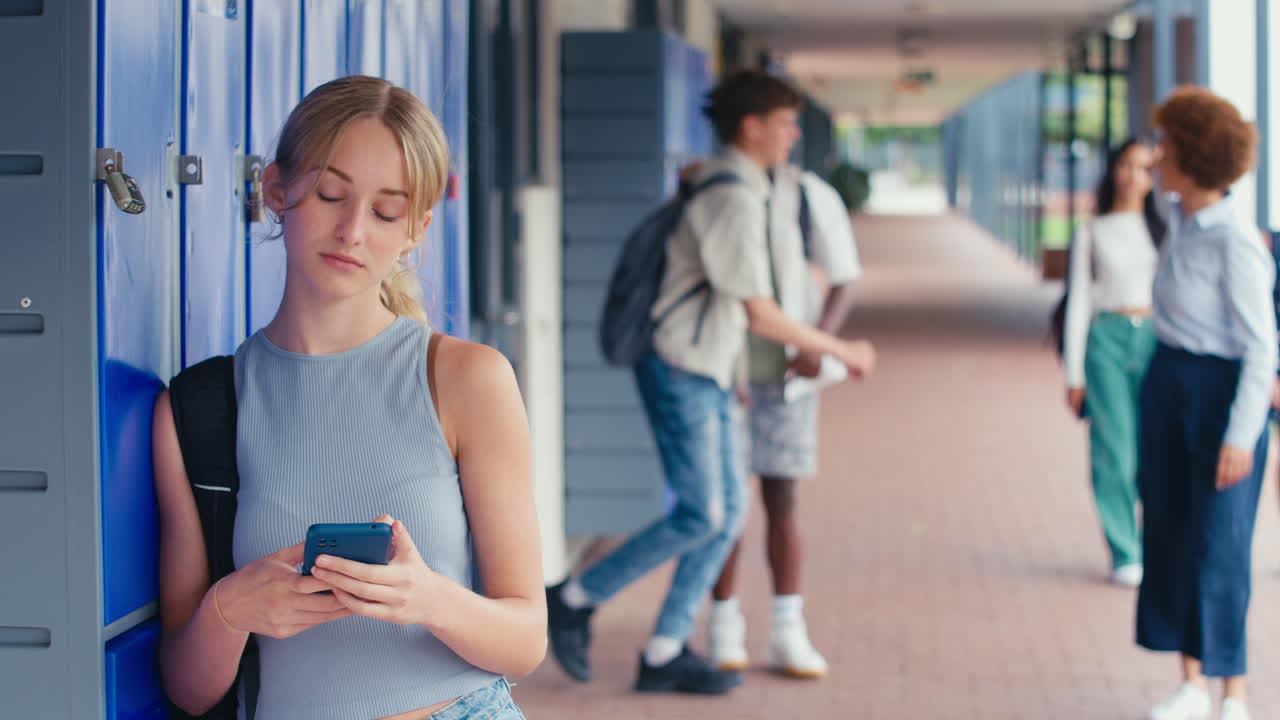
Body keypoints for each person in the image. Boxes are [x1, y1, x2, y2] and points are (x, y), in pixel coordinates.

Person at [153, 75, 545, 720]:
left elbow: (525, 641)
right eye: (331, 194)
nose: (354, 231)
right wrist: (231, 610)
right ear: (276, 189)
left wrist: (426, 598)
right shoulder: (199, 407)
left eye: (387, 211)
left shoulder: (467, 379)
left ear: (416, 228)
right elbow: (189, 690)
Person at [544, 70, 876, 695]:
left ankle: (665, 649)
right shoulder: (731, 195)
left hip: (709, 370)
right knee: (702, 512)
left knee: (724, 516)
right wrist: (842, 348)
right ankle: (576, 596)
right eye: (784, 124)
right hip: (679, 368)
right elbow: (759, 311)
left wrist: (736, 371)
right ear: (751, 127)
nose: (792, 136)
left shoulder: (742, 185)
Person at [1136, 86, 1275, 720]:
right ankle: (1191, 682)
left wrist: (1241, 437)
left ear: (1191, 156)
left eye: (1165, 145)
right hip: (1169, 386)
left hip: (1219, 396)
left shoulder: (1234, 241)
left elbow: (1260, 348)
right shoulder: (1179, 221)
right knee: (1171, 532)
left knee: (1220, 542)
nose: (1154, 154)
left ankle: (1234, 692)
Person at [706, 163, 863, 679]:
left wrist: (819, 342)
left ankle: (786, 629)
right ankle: (723, 625)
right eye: (783, 123)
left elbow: (843, 275)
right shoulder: (719, 187)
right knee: (725, 507)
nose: (792, 134)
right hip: (725, 374)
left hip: (789, 376)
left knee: (782, 499)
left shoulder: (807, 193)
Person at [1061, 138, 1167, 588]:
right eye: (1126, 165)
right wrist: (1074, 373)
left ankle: (1156, 543)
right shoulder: (1093, 231)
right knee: (1114, 452)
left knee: (1155, 450)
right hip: (1106, 340)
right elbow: (1079, 302)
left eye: (1144, 168)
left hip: (1156, 341)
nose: (1133, 176)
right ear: (1113, 170)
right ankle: (1125, 550)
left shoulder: (1165, 229)